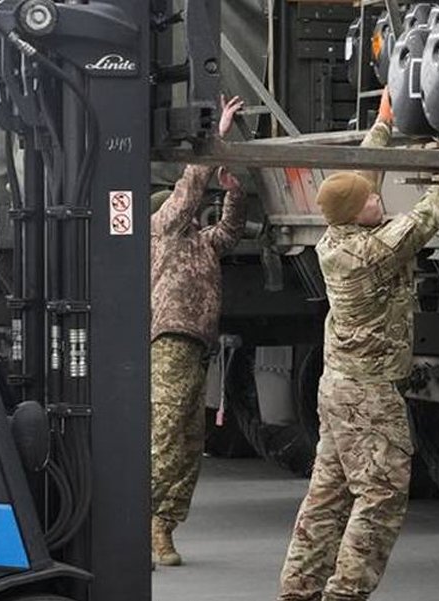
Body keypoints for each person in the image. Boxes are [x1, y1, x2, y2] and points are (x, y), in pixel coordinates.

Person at [277, 90, 439, 601]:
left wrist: (382, 127)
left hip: (338, 391)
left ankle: (298, 591)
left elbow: (364, 181)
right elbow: (430, 214)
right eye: (372, 201)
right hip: (369, 397)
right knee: (380, 496)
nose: (380, 198)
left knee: (327, 496)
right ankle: (346, 593)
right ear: (359, 213)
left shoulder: (336, 236)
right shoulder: (374, 249)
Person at [150, 95, 246, 567]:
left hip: (197, 346)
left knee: (190, 444)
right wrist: (217, 138)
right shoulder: (160, 231)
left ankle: (163, 528)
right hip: (170, 341)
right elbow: (188, 189)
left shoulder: (201, 245)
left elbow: (230, 231)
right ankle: (139, 518)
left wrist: (233, 192)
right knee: (166, 434)